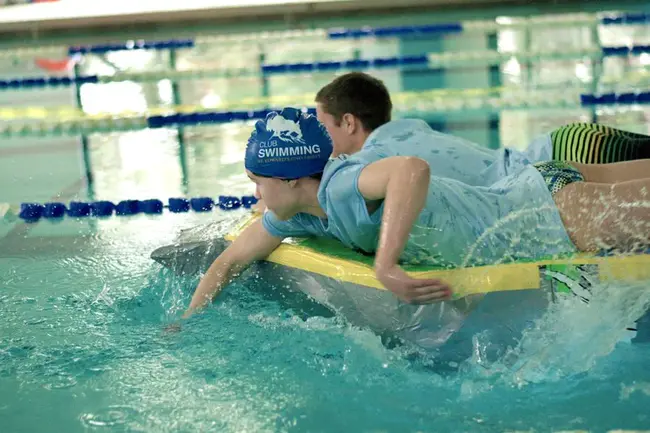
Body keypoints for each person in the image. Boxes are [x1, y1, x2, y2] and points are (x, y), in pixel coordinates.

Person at [182, 108, 650, 320]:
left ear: (289, 181)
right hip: (537, 185)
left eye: (257, 181)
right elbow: (229, 261)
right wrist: (187, 322)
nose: (255, 194)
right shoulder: (299, 215)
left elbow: (411, 169)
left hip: (551, 215)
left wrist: (386, 264)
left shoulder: (342, 186)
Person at [254, 72, 650, 212]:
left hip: (555, 172)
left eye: (325, 128)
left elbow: (320, 194)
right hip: (569, 143)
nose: (322, 140)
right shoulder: (410, 128)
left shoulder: (373, 160)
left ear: (349, 122)